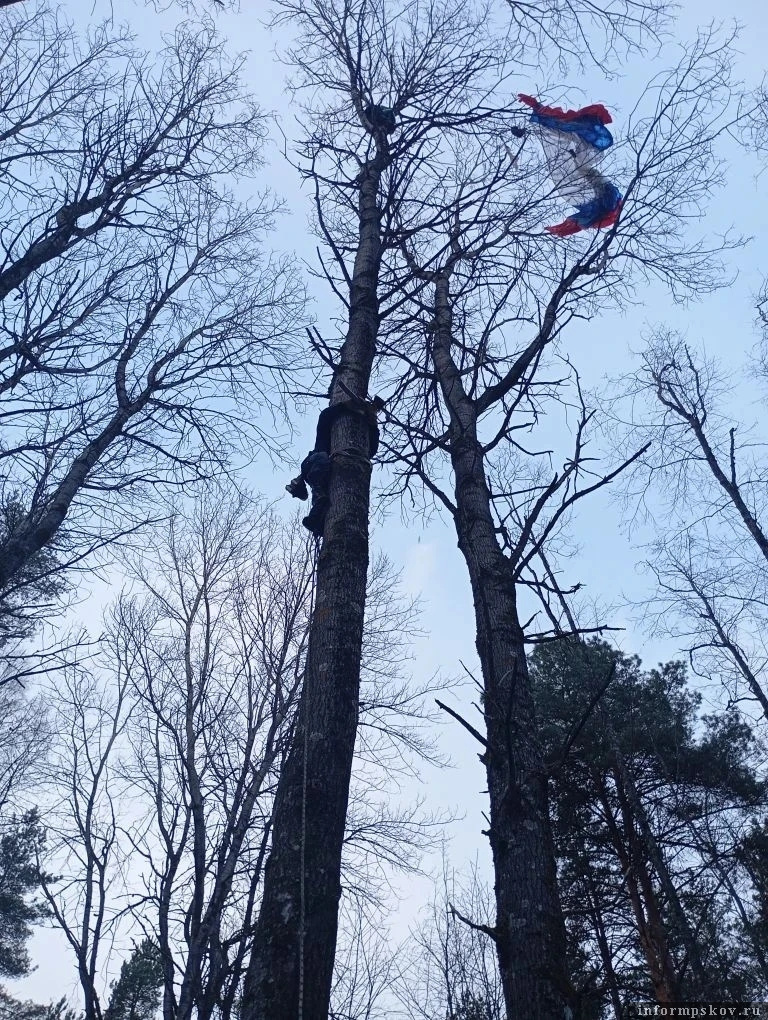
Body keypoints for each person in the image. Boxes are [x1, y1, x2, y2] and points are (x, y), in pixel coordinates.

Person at [286, 397, 385, 537]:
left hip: (331, 472)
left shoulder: (364, 435)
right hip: (315, 465)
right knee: (321, 461)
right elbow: (325, 416)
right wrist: (344, 405)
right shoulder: (324, 439)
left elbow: (371, 450)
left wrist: (373, 423)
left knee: (327, 493)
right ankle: (319, 507)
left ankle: (320, 519)